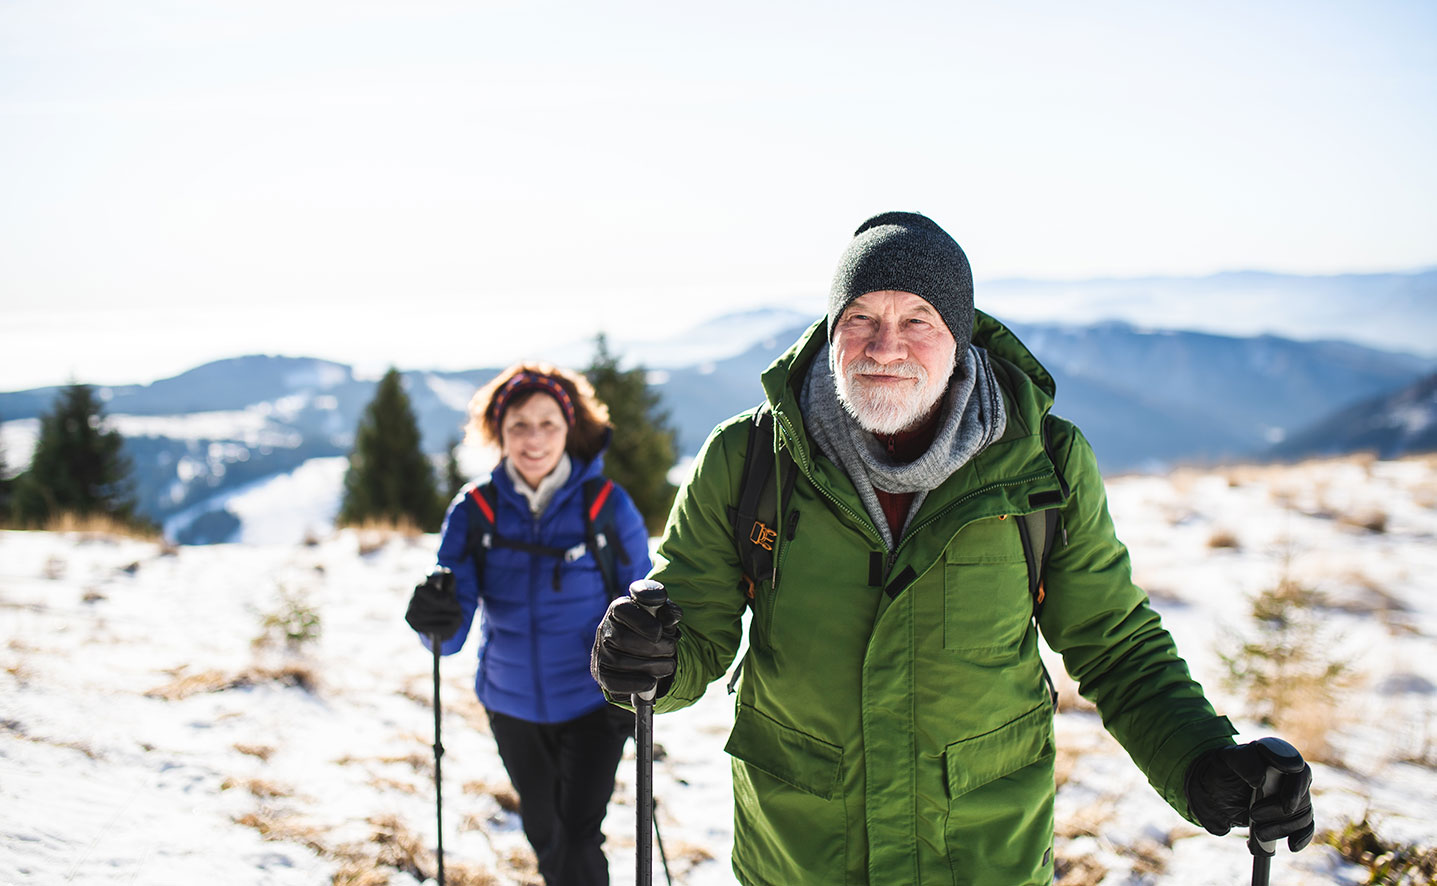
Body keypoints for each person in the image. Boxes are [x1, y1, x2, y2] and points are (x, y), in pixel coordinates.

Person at [591, 212, 1315, 885]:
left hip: (980, 851)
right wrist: (648, 660)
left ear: (960, 334)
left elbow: (1113, 644)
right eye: (861, 318)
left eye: (918, 318)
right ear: (831, 327)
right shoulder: (750, 456)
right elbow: (693, 624)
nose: (885, 346)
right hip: (800, 849)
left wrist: (1200, 761)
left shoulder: (1044, 463)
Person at [406, 363, 652, 886]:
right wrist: (435, 616)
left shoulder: (607, 507)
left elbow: (641, 600)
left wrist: (644, 655)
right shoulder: (475, 511)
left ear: (570, 429)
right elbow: (449, 633)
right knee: (545, 832)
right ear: (498, 431)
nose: (534, 438)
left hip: (595, 702)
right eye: (519, 425)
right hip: (510, 702)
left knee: (579, 833)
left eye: (548, 424)